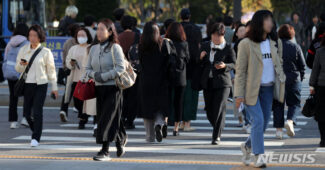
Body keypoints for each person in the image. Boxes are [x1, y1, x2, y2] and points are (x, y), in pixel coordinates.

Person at [234, 10, 285, 168]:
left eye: (271, 19)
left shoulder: (275, 43)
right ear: (258, 22)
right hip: (251, 90)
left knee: (262, 125)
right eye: (267, 20)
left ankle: (248, 146)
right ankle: (259, 156)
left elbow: (279, 65)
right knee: (258, 121)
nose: (270, 23)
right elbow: (240, 71)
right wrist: (238, 95)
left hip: (269, 89)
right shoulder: (246, 44)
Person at [85, 19, 127, 161]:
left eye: (102, 29)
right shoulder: (93, 49)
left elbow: (121, 68)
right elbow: (87, 69)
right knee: (111, 117)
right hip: (98, 88)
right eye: (97, 29)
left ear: (110, 32)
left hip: (113, 88)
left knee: (106, 119)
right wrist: (95, 76)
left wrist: (104, 76)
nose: (99, 32)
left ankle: (105, 151)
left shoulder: (115, 48)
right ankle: (120, 139)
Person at [15, 25, 58, 147]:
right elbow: (17, 68)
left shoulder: (46, 52)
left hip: (41, 85)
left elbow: (51, 71)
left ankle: (36, 137)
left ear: (40, 37)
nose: (32, 38)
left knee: (38, 112)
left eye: (34, 36)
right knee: (27, 113)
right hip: (27, 84)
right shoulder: (23, 49)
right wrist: (22, 64)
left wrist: (54, 88)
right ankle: (36, 129)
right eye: (30, 35)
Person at [200, 23, 236, 145]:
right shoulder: (205, 45)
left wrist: (225, 65)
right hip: (208, 82)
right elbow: (198, 64)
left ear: (223, 35)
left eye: (218, 36)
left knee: (219, 108)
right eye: (214, 35)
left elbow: (234, 64)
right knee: (210, 110)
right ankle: (219, 125)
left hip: (223, 83)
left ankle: (216, 136)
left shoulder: (228, 48)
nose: (216, 38)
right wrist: (200, 58)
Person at [273, 24, 306, 139]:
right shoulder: (295, 47)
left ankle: (278, 131)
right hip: (293, 79)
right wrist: (300, 79)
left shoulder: (274, 47)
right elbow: (302, 65)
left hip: (278, 79)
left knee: (278, 105)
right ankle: (290, 120)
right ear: (292, 34)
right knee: (295, 104)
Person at [138, 21, 169, 143]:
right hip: (161, 80)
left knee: (147, 108)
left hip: (146, 80)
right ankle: (159, 123)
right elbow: (167, 63)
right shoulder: (163, 45)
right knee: (160, 106)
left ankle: (149, 137)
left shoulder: (141, 46)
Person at [65, 27, 93, 129]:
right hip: (75, 78)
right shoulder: (73, 48)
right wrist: (71, 63)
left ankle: (83, 118)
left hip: (87, 78)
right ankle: (83, 116)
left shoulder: (91, 47)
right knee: (77, 101)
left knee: (86, 100)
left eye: (83, 35)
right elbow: (68, 62)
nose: (81, 37)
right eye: (79, 35)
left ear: (87, 36)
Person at [165, 22, 190, 136]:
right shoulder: (184, 44)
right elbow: (188, 59)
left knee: (167, 100)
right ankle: (176, 128)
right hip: (181, 77)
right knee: (179, 102)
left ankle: (164, 123)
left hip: (168, 75)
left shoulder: (166, 43)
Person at [3, 23, 29, 129]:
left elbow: (5, 57)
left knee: (13, 97)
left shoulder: (10, 43)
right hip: (22, 74)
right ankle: (25, 118)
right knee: (27, 96)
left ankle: (13, 121)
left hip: (10, 72)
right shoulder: (26, 43)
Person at [180, 8, 202, 131]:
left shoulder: (177, 28)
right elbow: (199, 45)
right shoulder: (196, 29)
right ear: (190, 16)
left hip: (179, 65)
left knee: (180, 95)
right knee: (191, 95)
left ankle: (180, 121)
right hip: (193, 64)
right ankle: (187, 123)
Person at [118, 15, 141, 129]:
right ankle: (130, 120)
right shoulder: (137, 36)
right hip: (134, 70)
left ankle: (122, 117)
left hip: (121, 69)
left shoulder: (118, 37)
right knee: (133, 96)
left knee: (122, 95)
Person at [231, 23, 251, 132]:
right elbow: (234, 62)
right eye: (240, 31)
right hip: (239, 76)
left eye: (244, 30)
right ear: (237, 33)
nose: (243, 32)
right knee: (240, 100)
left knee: (246, 100)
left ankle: (248, 122)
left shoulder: (249, 43)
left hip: (249, 76)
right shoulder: (236, 45)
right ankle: (246, 121)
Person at [59, 24, 80, 122]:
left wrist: (64, 67)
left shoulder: (67, 42)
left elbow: (63, 55)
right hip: (80, 70)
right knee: (81, 91)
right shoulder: (81, 43)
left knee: (68, 91)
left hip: (69, 69)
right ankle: (81, 112)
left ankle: (64, 110)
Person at [310, 34, 325, 148]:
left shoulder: (320, 51)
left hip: (321, 87)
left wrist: (312, 85)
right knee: (321, 115)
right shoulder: (320, 52)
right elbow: (315, 69)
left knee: (321, 115)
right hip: (321, 87)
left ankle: (323, 139)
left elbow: (315, 70)